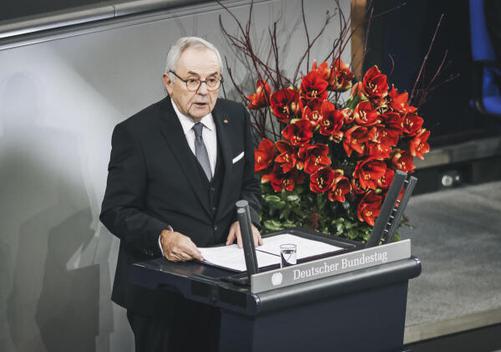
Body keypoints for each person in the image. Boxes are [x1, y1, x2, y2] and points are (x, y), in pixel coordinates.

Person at [100, 36, 262, 352]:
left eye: (212, 80)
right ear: (168, 82)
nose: (203, 91)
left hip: (227, 292)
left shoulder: (235, 117)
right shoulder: (136, 133)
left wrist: (247, 220)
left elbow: (249, 187)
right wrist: (162, 238)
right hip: (165, 299)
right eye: (192, 81)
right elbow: (116, 209)